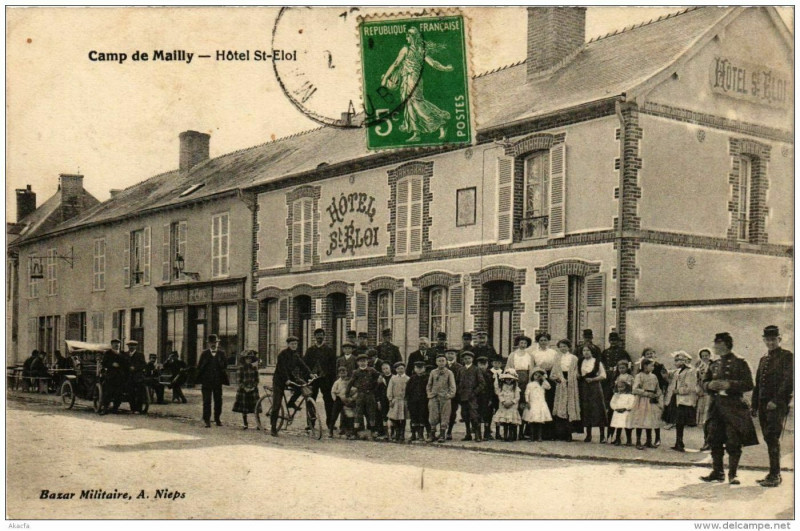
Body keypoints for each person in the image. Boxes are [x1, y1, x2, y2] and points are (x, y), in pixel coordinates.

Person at [701, 332, 758, 485]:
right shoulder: (713, 364)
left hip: (734, 408)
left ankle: (733, 474)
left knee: (734, 441)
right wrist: (709, 385)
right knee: (714, 439)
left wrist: (730, 385)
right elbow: (704, 382)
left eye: (716, 343)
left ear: (725, 344)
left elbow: (749, 384)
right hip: (716, 407)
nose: (714, 346)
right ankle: (717, 472)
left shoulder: (740, 362)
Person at [381, 26, 454, 142]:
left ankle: (441, 121)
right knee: (409, 104)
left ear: (412, 37)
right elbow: (433, 63)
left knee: (416, 103)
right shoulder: (419, 50)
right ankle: (416, 132)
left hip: (413, 80)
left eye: (408, 36)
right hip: (407, 79)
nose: (407, 38)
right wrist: (445, 68)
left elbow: (396, 64)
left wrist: (385, 78)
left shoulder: (411, 50)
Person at [751, 325, 793, 488]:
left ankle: (775, 475)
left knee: (772, 437)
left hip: (776, 405)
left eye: (773, 340)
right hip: (763, 405)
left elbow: (789, 381)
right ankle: (772, 472)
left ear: (779, 340)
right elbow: (758, 384)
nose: (770, 343)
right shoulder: (764, 359)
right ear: (764, 340)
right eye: (767, 340)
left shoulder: (787, 356)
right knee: (769, 438)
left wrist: (776, 400)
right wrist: (754, 405)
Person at [270, 336, 311, 436]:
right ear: (288, 344)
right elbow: (282, 368)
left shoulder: (295, 355)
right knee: (277, 404)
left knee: (300, 388)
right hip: (279, 379)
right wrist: (286, 379)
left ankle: (291, 403)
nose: (294, 346)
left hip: (289, 377)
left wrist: (310, 373)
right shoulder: (282, 355)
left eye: (295, 344)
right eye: (292, 344)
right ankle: (273, 428)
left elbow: (302, 365)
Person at [303, 328, 337, 435]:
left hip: (325, 379)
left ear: (324, 336)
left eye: (321, 335)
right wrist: (307, 377)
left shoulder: (329, 350)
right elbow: (305, 365)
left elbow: (333, 366)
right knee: (310, 400)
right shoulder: (310, 350)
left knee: (328, 400)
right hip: (313, 380)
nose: (319, 337)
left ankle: (330, 423)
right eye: (317, 335)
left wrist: (329, 377)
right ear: (314, 337)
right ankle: (310, 423)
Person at [663, 351, 698, 452]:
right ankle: (678, 442)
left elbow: (690, 387)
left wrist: (678, 391)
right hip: (676, 399)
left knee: (680, 422)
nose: (677, 362)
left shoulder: (690, 371)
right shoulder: (677, 371)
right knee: (678, 422)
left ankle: (680, 442)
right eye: (676, 360)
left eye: (680, 360)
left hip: (683, 400)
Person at [600, 332, 631, 439]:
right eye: (611, 340)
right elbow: (601, 365)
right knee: (609, 406)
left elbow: (628, 366)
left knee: (620, 407)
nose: (613, 342)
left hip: (619, 381)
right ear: (609, 341)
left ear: (618, 341)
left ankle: (619, 434)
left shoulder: (623, 352)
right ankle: (610, 433)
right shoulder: (605, 352)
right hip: (607, 382)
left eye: (615, 340)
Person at [195, 334, 230, 428]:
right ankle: (207, 420)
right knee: (207, 401)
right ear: (208, 344)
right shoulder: (204, 353)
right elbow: (199, 367)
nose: (213, 344)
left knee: (218, 401)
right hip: (206, 382)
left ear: (217, 343)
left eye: (215, 342)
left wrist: (220, 363)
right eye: (211, 343)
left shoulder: (221, 353)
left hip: (218, 382)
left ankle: (217, 419)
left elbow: (225, 366)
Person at [552, 339, 582, 441]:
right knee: (561, 406)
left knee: (570, 407)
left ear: (569, 347)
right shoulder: (557, 358)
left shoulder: (574, 358)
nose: (563, 348)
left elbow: (577, 371)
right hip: (561, 383)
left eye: (565, 346)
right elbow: (554, 373)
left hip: (571, 384)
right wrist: (558, 379)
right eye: (561, 346)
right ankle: (560, 433)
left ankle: (569, 433)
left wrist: (571, 378)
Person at [578, 344, 608, 443]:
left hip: (595, 386)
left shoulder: (597, 362)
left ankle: (602, 435)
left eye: (588, 350)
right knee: (587, 409)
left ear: (592, 352)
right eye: (584, 351)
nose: (585, 352)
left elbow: (603, 375)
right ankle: (588, 435)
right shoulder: (580, 362)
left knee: (598, 409)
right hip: (585, 387)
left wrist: (593, 379)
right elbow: (579, 374)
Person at [630, 358, 663, 449]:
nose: (653, 367)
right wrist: (646, 393)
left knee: (650, 420)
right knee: (641, 420)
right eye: (651, 365)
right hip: (642, 401)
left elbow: (658, 388)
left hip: (652, 401)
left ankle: (648, 441)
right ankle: (638, 441)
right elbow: (635, 389)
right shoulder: (639, 376)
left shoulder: (654, 376)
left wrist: (657, 394)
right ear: (645, 366)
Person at [532, 333, 559, 439]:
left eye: (545, 340)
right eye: (541, 340)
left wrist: (551, 376)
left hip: (550, 378)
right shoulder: (534, 353)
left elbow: (556, 366)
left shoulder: (553, 353)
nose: (543, 342)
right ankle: (537, 432)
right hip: (538, 377)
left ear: (548, 341)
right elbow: (533, 366)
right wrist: (538, 376)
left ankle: (550, 433)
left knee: (549, 403)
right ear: (538, 342)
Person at [347, 353, 381, 440]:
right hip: (360, 395)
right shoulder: (356, 372)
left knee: (371, 413)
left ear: (367, 362)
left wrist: (377, 384)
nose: (363, 363)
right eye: (361, 361)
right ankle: (355, 432)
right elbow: (350, 383)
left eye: (364, 361)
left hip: (370, 394)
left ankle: (373, 431)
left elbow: (379, 376)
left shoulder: (372, 370)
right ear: (358, 363)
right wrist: (347, 395)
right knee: (358, 413)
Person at [427, 352, 456, 443]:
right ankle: (432, 434)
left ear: (446, 362)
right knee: (433, 415)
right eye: (439, 361)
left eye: (443, 361)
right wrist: (429, 394)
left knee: (445, 415)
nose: (441, 362)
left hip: (444, 397)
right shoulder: (433, 372)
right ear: (436, 362)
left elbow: (452, 386)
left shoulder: (449, 372)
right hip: (434, 396)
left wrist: (450, 395)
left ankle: (442, 434)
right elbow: (429, 384)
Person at [456, 351, 485, 442]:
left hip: (473, 397)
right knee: (465, 415)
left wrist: (474, 392)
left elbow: (482, 383)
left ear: (472, 359)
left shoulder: (476, 369)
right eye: (465, 359)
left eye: (469, 358)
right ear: (463, 360)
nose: (467, 360)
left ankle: (477, 435)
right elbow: (457, 382)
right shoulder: (461, 370)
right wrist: (459, 391)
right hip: (463, 396)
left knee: (474, 415)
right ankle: (468, 434)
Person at [523, 367, 552, 442]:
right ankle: (532, 436)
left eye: (539, 375)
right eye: (535, 375)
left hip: (540, 404)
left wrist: (544, 379)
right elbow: (527, 393)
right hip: (533, 403)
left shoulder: (542, 384)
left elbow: (549, 387)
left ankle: (539, 437)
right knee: (532, 421)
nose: (537, 376)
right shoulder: (530, 384)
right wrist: (527, 401)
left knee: (540, 421)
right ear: (532, 376)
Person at [232, 351, 259, 430]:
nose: (249, 360)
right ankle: (245, 423)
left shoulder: (254, 368)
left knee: (256, 407)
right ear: (244, 359)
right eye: (247, 358)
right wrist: (245, 388)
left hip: (253, 390)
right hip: (243, 391)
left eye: (250, 358)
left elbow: (257, 380)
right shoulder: (241, 369)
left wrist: (253, 387)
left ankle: (258, 424)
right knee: (244, 408)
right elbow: (239, 380)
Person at [406, 360, 430, 442]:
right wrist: (408, 400)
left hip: (424, 401)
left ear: (424, 368)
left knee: (423, 417)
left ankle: (421, 434)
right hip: (413, 401)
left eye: (421, 368)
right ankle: (413, 434)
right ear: (414, 368)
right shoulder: (412, 378)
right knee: (413, 417)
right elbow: (408, 390)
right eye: (417, 368)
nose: (419, 370)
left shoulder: (427, 378)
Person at [493, 372, 522, 442]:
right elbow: (500, 395)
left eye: (510, 379)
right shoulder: (502, 387)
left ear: (512, 380)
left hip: (512, 407)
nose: (508, 381)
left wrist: (512, 402)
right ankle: (505, 436)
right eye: (506, 379)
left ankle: (511, 436)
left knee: (511, 422)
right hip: (504, 406)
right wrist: (503, 402)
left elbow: (517, 397)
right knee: (505, 422)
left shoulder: (516, 388)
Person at [100, 339, 126, 414]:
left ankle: (115, 408)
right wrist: (111, 364)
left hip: (120, 376)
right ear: (112, 345)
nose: (117, 345)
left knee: (119, 393)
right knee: (108, 392)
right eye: (115, 344)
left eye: (118, 344)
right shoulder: (108, 353)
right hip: (111, 376)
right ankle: (105, 408)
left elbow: (126, 363)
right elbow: (104, 363)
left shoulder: (122, 353)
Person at [695, 348, 713, 451]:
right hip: (703, 395)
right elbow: (696, 380)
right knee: (704, 420)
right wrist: (698, 390)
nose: (705, 357)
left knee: (711, 419)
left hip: (711, 395)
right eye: (703, 356)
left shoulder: (714, 365)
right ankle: (706, 441)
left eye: (707, 355)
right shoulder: (698, 367)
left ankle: (713, 441)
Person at [387, 361, 410, 442]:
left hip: (404, 401)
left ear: (404, 369)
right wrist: (390, 399)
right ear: (395, 370)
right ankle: (397, 433)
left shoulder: (407, 379)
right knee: (395, 418)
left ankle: (402, 435)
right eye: (398, 369)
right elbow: (389, 389)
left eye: (402, 368)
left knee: (403, 418)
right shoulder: (393, 378)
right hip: (395, 400)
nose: (400, 370)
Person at [444, 347, 464, 440]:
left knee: (452, 413)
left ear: (455, 355)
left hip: (454, 394)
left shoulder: (459, 367)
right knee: (443, 412)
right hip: (443, 394)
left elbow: (460, 381)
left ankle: (449, 432)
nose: (450, 355)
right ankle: (442, 431)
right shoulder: (442, 366)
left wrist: (456, 392)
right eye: (448, 353)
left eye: (452, 353)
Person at [609, 380, 635, 446]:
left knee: (627, 427)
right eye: (619, 387)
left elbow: (632, 404)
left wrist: (625, 408)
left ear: (626, 387)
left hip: (626, 413)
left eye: (622, 387)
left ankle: (629, 440)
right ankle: (618, 439)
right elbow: (612, 403)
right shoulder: (616, 395)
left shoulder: (630, 396)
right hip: (618, 413)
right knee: (618, 426)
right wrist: (616, 408)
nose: (620, 389)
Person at [476, 356, 495, 440]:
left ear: (487, 364)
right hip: (478, 397)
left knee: (488, 415)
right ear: (477, 364)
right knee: (478, 415)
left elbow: (492, 387)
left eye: (484, 364)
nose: (482, 366)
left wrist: (491, 398)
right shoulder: (475, 373)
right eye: (480, 364)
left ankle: (487, 433)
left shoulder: (490, 373)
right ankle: (478, 433)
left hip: (487, 397)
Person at [330, 366, 351, 438]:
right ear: (339, 374)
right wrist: (335, 399)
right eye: (341, 373)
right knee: (334, 416)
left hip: (346, 400)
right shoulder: (337, 382)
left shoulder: (349, 381)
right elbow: (333, 391)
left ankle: (347, 431)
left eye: (344, 373)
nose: (342, 375)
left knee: (347, 415)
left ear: (347, 373)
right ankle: (331, 431)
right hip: (338, 400)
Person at [126, 340, 147, 413]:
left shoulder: (140, 355)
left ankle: (139, 409)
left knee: (139, 393)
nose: (131, 347)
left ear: (136, 346)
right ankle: (132, 408)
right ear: (128, 346)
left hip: (137, 376)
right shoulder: (125, 354)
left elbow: (143, 365)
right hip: (128, 377)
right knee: (130, 392)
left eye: (133, 345)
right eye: (130, 345)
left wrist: (135, 368)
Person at [376, 361, 393, 439]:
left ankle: (392, 433)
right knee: (383, 415)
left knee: (392, 416)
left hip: (391, 399)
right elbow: (377, 391)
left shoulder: (394, 377)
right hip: (383, 399)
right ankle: (384, 432)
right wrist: (378, 401)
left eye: (387, 368)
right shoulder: (380, 379)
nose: (385, 370)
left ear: (390, 368)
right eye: (384, 369)